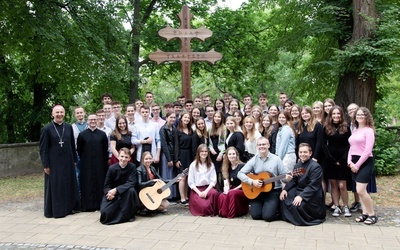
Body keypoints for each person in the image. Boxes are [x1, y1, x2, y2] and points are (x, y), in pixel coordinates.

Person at [39, 105, 80, 218]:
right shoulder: (47, 129)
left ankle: (69, 208)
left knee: (68, 184)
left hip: (68, 160)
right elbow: (43, 149)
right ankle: (56, 210)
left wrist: (75, 160)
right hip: (54, 163)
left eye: (61, 112)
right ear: (52, 114)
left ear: (64, 113)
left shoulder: (68, 127)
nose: (59, 114)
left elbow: (72, 144)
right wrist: (46, 165)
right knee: (56, 185)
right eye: (57, 112)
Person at [238, 137, 288, 222]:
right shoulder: (254, 159)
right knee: (255, 215)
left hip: (273, 191)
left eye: (264, 144)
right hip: (258, 192)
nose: (262, 146)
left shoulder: (276, 159)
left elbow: (283, 177)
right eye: (259, 145)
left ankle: (275, 210)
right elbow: (240, 173)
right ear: (257, 146)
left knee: (268, 217)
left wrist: (287, 178)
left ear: (268, 145)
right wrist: (252, 181)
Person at [280, 143, 326, 226]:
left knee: (298, 206)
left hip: (312, 194)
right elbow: (293, 180)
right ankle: (288, 218)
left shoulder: (316, 167)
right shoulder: (298, 165)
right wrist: (285, 190)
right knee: (285, 198)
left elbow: (313, 186)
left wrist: (301, 196)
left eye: (305, 152)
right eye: (300, 152)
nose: (302, 154)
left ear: (310, 153)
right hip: (299, 190)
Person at [348, 107, 378, 225]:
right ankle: (364, 213)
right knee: (360, 190)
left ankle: (372, 215)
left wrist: (358, 164)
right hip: (354, 162)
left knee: (361, 190)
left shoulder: (369, 130)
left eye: (362, 115)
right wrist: (350, 162)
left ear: (367, 116)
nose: (359, 116)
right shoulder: (355, 130)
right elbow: (351, 147)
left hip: (365, 162)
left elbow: (367, 150)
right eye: (358, 114)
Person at [323, 106, 352, 217]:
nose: (336, 116)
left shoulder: (346, 128)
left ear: (341, 115)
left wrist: (342, 159)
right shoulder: (326, 128)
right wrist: (330, 158)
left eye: (338, 114)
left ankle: (346, 206)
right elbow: (323, 144)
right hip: (330, 159)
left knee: (342, 185)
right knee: (333, 184)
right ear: (330, 115)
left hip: (343, 159)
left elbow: (349, 145)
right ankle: (336, 206)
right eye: (333, 114)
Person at [77, 114, 109, 212]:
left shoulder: (102, 134)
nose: (93, 121)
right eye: (91, 120)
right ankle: (88, 205)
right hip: (86, 163)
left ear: (97, 120)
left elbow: (105, 149)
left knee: (100, 182)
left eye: (94, 119)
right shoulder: (82, 135)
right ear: (87, 121)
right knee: (87, 182)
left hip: (100, 163)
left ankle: (100, 204)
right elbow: (79, 149)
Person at [100, 148, 140, 225]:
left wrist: (116, 189)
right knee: (105, 213)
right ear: (118, 157)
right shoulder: (111, 168)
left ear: (129, 158)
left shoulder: (132, 167)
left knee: (132, 190)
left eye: (126, 157)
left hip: (126, 194)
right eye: (122, 156)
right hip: (113, 195)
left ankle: (129, 215)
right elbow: (107, 185)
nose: (123, 159)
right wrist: (109, 194)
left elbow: (131, 182)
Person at [187, 144, 219, 216]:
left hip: (208, 188)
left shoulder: (211, 164)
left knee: (215, 193)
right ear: (198, 152)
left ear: (208, 153)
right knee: (205, 207)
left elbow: (213, 181)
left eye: (205, 151)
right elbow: (190, 183)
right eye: (202, 151)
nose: (204, 153)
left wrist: (206, 191)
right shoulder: (193, 165)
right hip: (196, 190)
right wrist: (199, 193)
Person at [218, 147, 249, 218]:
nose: (232, 156)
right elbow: (226, 181)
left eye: (233, 154)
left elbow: (245, 182)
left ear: (237, 155)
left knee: (232, 193)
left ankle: (232, 213)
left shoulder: (242, 166)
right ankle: (224, 213)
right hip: (232, 189)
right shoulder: (226, 167)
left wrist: (233, 190)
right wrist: (226, 189)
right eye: (229, 154)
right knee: (222, 195)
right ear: (227, 156)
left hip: (242, 189)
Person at [174, 111, 193, 205]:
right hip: (182, 154)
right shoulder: (177, 131)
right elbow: (176, 146)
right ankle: (182, 198)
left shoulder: (191, 130)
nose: (186, 119)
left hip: (190, 154)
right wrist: (177, 159)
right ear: (181, 118)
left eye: (188, 118)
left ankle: (186, 196)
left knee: (188, 176)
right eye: (185, 117)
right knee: (182, 177)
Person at [159, 112, 178, 200]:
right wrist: (169, 159)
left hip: (173, 155)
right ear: (166, 118)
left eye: (174, 117)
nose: (173, 119)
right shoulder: (163, 129)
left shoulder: (174, 128)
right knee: (167, 175)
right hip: (166, 155)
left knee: (173, 175)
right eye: (171, 117)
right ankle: (167, 195)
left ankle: (173, 195)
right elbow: (164, 145)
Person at [208, 111, 226, 191]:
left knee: (222, 173)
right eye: (215, 117)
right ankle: (217, 190)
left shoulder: (224, 128)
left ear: (221, 118)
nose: (217, 118)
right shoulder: (210, 128)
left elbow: (225, 142)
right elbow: (208, 141)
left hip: (221, 153)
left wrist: (221, 153)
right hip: (212, 154)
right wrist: (211, 149)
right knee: (213, 173)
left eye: (219, 117)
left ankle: (223, 190)